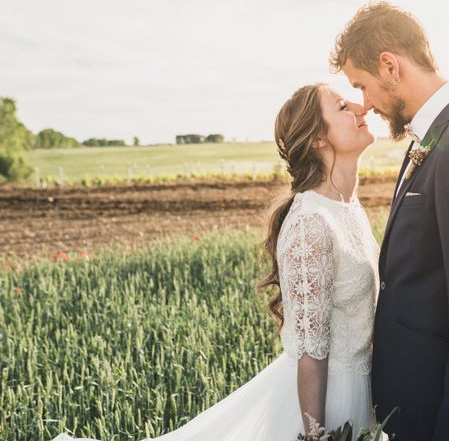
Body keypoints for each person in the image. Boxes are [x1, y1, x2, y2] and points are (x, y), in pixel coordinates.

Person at [50, 83, 383, 440]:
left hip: (364, 391)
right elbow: (311, 354)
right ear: (318, 138)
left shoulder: (348, 208)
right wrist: (317, 436)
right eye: (343, 106)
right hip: (330, 404)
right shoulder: (311, 223)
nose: (361, 108)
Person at [330, 1, 449, 440]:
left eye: (362, 86)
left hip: (439, 413)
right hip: (413, 402)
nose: (365, 104)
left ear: (390, 66)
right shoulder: (443, 132)